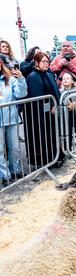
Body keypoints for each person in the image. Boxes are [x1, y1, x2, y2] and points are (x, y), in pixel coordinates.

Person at [24, 52, 62, 169]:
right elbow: (37, 96)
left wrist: (56, 105)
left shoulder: (49, 75)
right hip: (39, 114)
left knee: (53, 134)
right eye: (43, 61)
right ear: (36, 63)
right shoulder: (33, 76)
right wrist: (51, 105)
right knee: (42, 136)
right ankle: (45, 160)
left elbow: (55, 91)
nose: (46, 64)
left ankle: (54, 157)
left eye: (47, 62)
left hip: (52, 112)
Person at [0, 57, 27, 185]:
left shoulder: (10, 79)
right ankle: (5, 175)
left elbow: (21, 94)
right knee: (0, 150)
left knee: (15, 148)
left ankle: (15, 170)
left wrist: (21, 79)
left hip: (11, 119)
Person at [60, 71, 76, 151]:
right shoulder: (61, 91)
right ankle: (69, 150)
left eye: (67, 78)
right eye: (63, 79)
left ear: (72, 81)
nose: (65, 80)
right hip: (67, 116)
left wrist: (73, 105)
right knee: (68, 133)